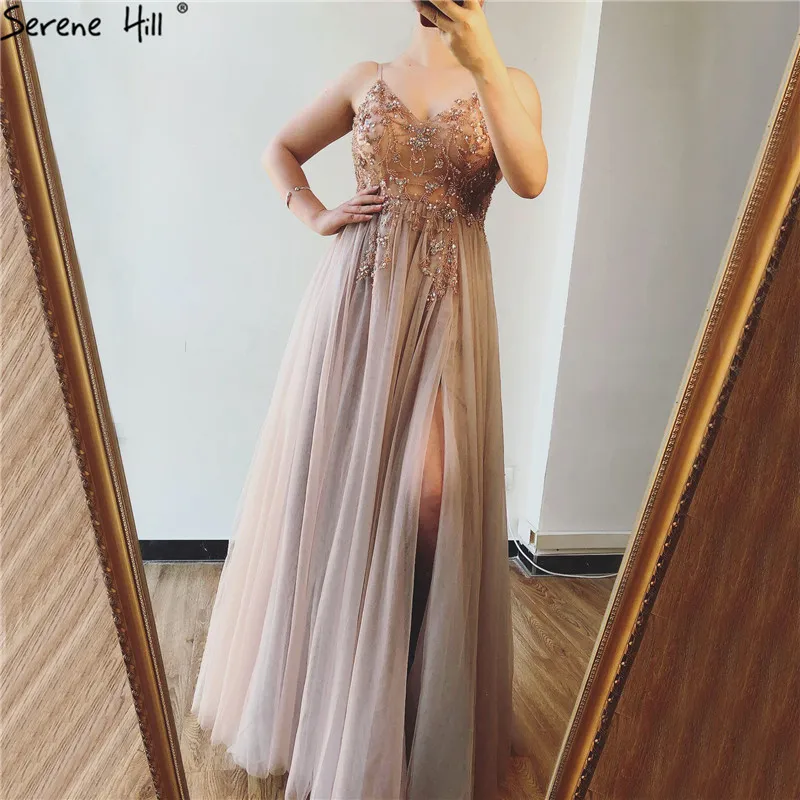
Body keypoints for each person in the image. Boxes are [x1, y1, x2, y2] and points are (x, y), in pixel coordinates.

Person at [191, 1, 547, 797]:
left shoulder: (510, 81)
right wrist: (315, 212)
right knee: (334, 497)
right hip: (354, 307)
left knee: (431, 504)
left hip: (447, 315)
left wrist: (483, 56)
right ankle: (326, 707)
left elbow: (529, 180)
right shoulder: (366, 78)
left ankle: (411, 712)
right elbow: (280, 150)